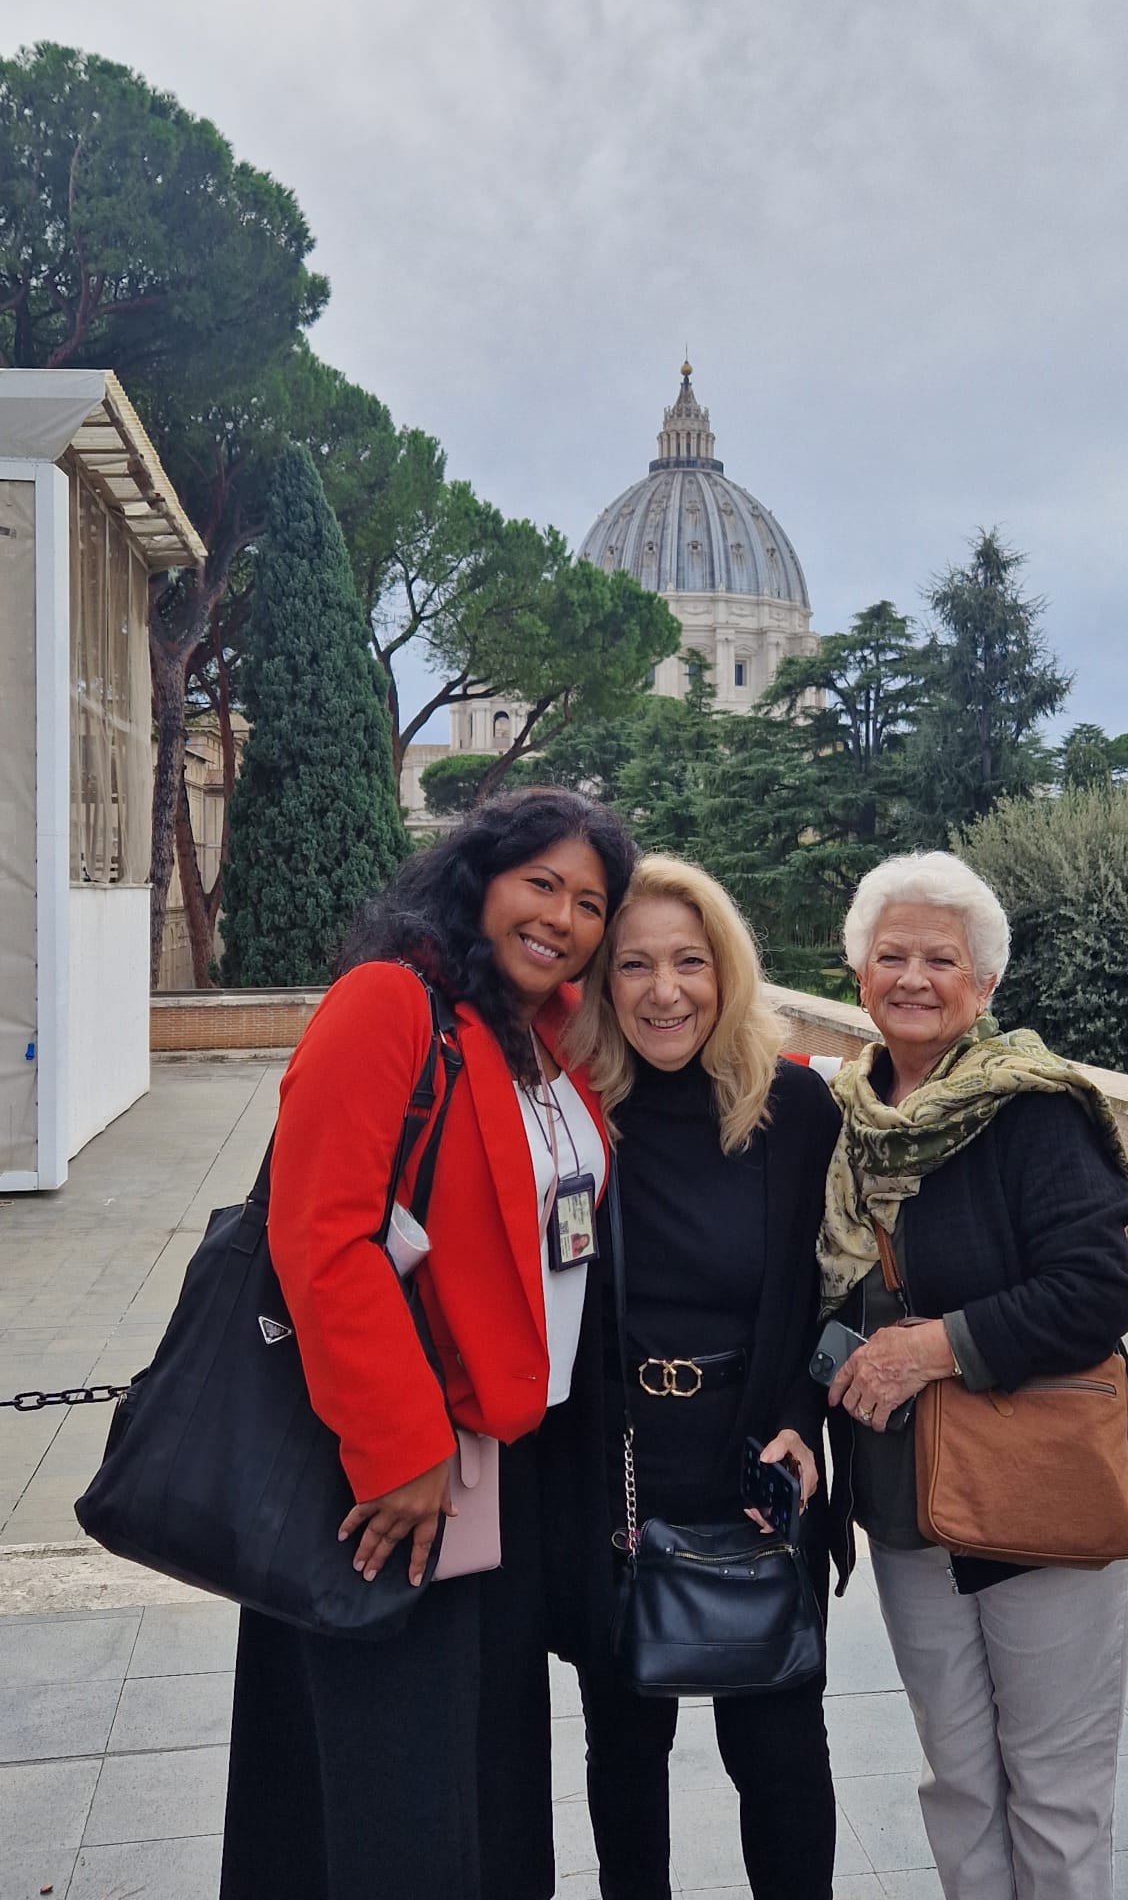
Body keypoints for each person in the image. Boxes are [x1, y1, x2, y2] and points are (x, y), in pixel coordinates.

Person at [219, 788, 637, 1900]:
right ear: (479, 878)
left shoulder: (539, 1039)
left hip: (508, 1463)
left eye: (591, 902)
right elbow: (325, 1234)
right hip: (397, 1466)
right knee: (392, 1777)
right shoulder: (388, 1002)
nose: (564, 917)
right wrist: (399, 1448)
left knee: (487, 1760)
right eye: (541, 883)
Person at [818, 850, 1128, 1900]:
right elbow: (824, 1294)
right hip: (906, 1497)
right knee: (959, 1779)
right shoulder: (843, 1121)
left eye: (942, 957)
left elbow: (1096, 1290)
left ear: (985, 985)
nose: (914, 976)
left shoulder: (1034, 1111)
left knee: (1055, 1791)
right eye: (892, 955)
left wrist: (931, 1347)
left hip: (1036, 1486)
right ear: (859, 973)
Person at [561, 853, 842, 1900]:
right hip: (618, 1470)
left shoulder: (797, 1110)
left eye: (689, 960)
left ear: (727, 972)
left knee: (777, 1750)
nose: (663, 988)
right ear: (602, 982)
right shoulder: (574, 1113)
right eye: (634, 964)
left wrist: (804, 1417)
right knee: (624, 1753)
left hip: (756, 1464)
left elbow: (837, 1291)